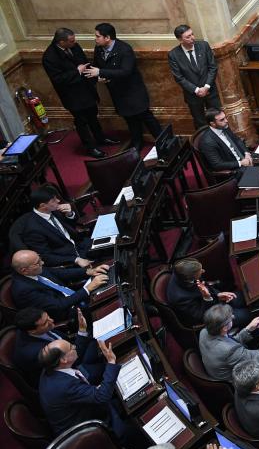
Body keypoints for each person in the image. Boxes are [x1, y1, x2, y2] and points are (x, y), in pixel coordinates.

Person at [87, 22, 162, 148]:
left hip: (132, 91)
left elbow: (126, 71)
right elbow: (98, 66)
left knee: (145, 116)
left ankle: (164, 141)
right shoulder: (99, 49)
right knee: (129, 118)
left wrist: (101, 72)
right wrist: (100, 76)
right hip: (117, 92)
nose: (95, 39)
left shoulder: (124, 49)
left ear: (107, 37)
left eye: (98, 36)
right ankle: (137, 143)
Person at [39, 336, 128, 440]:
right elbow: (101, 396)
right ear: (63, 359)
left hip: (82, 409)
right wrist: (111, 361)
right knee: (130, 429)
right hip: (86, 429)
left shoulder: (51, 367)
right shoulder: (65, 386)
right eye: (71, 347)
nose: (75, 346)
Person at [42, 27, 112, 158]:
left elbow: (84, 63)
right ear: (62, 42)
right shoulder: (49, 57)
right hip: (72, 95)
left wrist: (94, 77)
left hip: (86, 89)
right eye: (71, 41)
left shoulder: (74, 46)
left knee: (93, 116)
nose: (75, 42)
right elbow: (58, 79)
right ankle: (90, 148)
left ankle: (101, 138)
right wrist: (77, 71)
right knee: (81, 121)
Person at [8, 249, 107, 322]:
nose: (42, 263)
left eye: (40, 259)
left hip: (75, 297)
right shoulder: (24, 290)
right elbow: (58, 305)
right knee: (108, 302)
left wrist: (88, 272)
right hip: (69, 312)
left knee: (108, 286)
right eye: (37, 263)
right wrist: (88, 289)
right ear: (24, 270)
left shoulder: (33, 270)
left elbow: (60, 273)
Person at [9, 185, 96, 267]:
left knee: (104, 241)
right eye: (53, 200)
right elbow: (45, 257)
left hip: (80, 245)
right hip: (69, 258)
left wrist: (69, 214)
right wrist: (75, 260)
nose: (58, 201)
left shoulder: (54, 210)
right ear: (43, 205)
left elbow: (71, 227)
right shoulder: (33, 229)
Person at [13, 306, 102, 385]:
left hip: (70, 354)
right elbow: (72, 359)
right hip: (69, 372)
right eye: (45, 323)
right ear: (32, 331)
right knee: (104, 364)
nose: (51, 321)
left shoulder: (33, 328)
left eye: (48, 317)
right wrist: (82, 330)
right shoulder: (36, 352)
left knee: (98, 338)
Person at [198, 303, 259, 383]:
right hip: (239, 381)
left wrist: (248, 328)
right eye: (230, 318)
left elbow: (229, 342)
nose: (233, 316)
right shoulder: (229, 351)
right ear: (225, 328)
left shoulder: (204, 332)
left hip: (222, 368)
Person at [166, 257, 250, 329]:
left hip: (213, 301)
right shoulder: (179, 298)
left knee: (247, 296)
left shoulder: (185, 272)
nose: (203, 271)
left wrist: (217, 294)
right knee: (248, 314)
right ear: (189, 279)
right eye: (200, 271)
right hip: (212, 316)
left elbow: (205, 285)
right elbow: (203, 316)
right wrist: (207, 297)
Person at [167, 24, 219, 128]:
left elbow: (213, 67)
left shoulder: (203, 46)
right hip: (193, 96)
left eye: (192, 34)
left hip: (210, 91)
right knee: (200, 123)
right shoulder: (173, 55)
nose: (192, 38)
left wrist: (206, 87)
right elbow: (179, 77)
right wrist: (196, 90)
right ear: (180, 40)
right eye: (188, 37)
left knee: (218, 119)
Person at [196, 108, 252, 175]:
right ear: (213, 124)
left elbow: (237, 140)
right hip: (235, 170)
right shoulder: (207, 142)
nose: (226, 121)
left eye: (225, 117)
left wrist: (247, 153)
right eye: (222, 120)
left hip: (244, 159)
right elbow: (217, 164)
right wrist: (241, 163)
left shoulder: (223, 126)